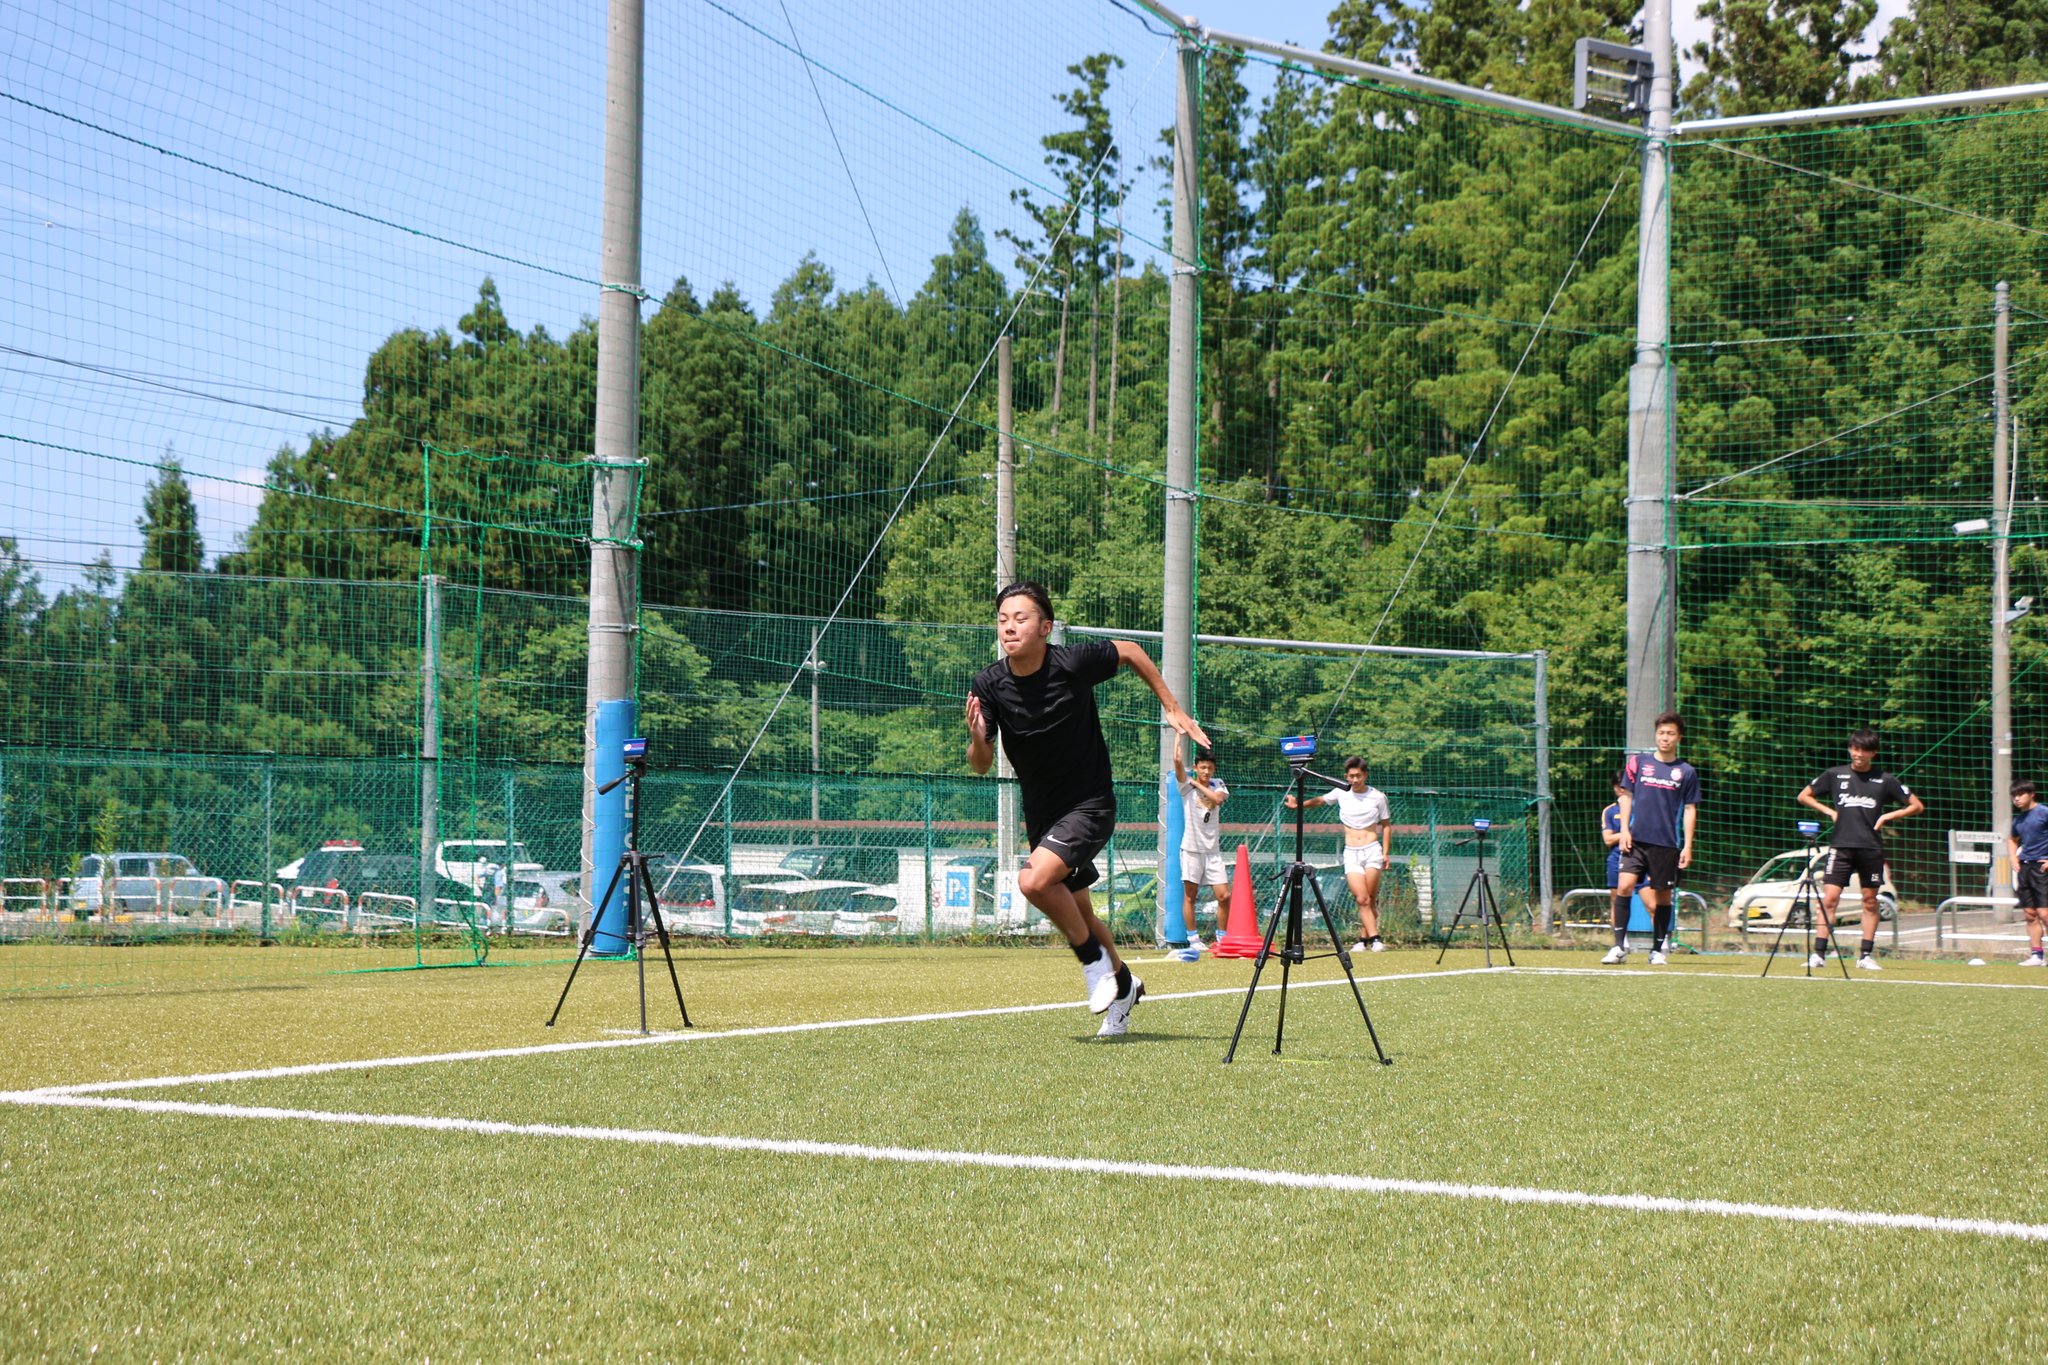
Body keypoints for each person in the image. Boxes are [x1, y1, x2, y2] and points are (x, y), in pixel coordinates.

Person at [966, 581, 1209, 1037]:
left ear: (1045, 627)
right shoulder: (989, 684)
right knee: (1082, 913)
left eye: (1020, 618)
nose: (1009, 627)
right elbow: (980, 765)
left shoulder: (1071, 662)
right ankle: (1124, 983)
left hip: (1090, 804)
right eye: (1002, 620)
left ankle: (1092, 963)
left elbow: (1132, 651)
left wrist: (1172, 708)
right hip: (1043, 815)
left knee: (1033, 880)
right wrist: (978, 736)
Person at [1795, 727, 1923, 970]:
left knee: (1870, 900)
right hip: (1841, 847)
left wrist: (1889, 816)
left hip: (1870, 848)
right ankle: (1819, 954)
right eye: (1854, 748)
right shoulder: (1835, 775)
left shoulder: (1884, 779)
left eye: (1864, 750)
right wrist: (1830, 811)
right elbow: (1804, 796)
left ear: (1873, 753)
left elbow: (1916, 805)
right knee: (1830, 899)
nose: (1858, 754)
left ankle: (1865, 955)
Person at [1603, 712, 1698, 967]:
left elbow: (1690, 809)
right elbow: (1626, 797)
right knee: (1623, 887)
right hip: (1636, 840)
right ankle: (1619, 946)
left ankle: (1657, 949)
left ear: (1679, 738)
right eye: (1661, 733)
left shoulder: (1686, 772)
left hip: (1666, 844)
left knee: (1662, 898)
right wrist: (1624, 829)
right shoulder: (1638, 762)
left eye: (1670, 734)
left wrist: (1687, 846)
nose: (1665, 738)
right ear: (1656, 735)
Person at [1284, 755, 1392, 954]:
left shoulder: (1378, 797)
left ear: (1365, 775)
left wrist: (1385, 853)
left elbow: (1386, 826)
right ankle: (1375, 939)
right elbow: (1319, 801)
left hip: (1372, 850)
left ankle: (1362, 939)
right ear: (1346, 776)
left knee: (1370, 897)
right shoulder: (1341, 792)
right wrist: (1298, 804)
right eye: (1351, 776)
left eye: (1359, 776)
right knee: (1361, 899)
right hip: (1351, 852)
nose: (1355, 780)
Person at [1172, 738, 1230, 947]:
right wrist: (1179, 736)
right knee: (1190, 896)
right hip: (1192, 850)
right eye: (1202, 767)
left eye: (1210, 768)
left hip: (1212, 851)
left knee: (1224, 895)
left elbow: (1218, 799)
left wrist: (1196, 783)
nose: (1206, 772)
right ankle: (1193, 938)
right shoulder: (1186, 786)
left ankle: (1222, 937)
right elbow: (1177, 762)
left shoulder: (1217, 784)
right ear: (1196, 768)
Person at [2008, 780, 2048, 967]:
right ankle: (2036, 955)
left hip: (2042, 868)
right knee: (2030, 913)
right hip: (2025, 868)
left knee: (2045, 913)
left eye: (2020, 794)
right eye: (2014, 795)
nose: (2016, 798)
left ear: (2031, 794)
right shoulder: (2018, 820)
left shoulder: (2044, 813)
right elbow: (2012, 839)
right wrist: (2013, 858)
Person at [1600, 771, 1627, 896]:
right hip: (1616, 858)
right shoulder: (1609, 811)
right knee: (1617, 901)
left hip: (1640, 858)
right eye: (1617, 785)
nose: (1620, 789)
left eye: (1623, 785)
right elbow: (1608, 840)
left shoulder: (1641, 808)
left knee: (1649, 902)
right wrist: (1627, 833)